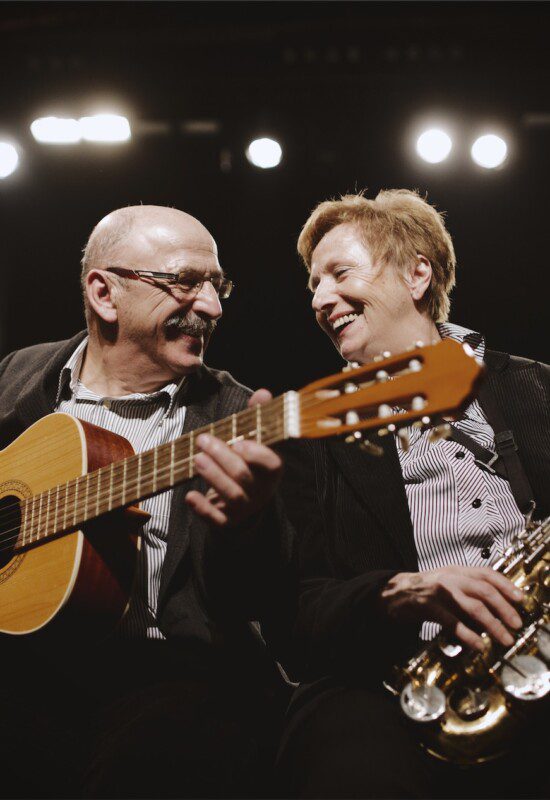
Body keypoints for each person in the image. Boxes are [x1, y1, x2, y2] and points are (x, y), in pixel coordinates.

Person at [0, 205, 296, 799]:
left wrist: (247, 522)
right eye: (185, 282)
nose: (211, 306)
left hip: (167, 682)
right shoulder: (20, 373)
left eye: (218, 286)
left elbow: (271, 600)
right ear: (105, 293)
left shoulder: (237, 418)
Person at [276, 190, 550, 799]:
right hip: (387, 689)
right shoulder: (307, 433)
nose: (320, 300)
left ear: (417, 273)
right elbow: (296, 613)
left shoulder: (534, 387)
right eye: (313, 285)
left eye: (340, 273)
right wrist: (404, 593)